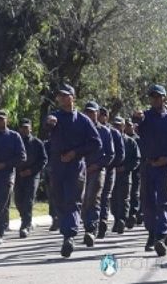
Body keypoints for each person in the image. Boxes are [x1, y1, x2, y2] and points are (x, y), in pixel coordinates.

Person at [46, 84, 102, 258]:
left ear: (73, 97)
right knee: (59, 201)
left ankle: (68, 236)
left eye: (65, 95)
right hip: (57, 166)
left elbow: (96, 143)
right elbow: (46, 128)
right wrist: (49, 123)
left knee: (73, 200)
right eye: (60, 96)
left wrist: (75, 153)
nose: (62, 98)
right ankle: (67, 232)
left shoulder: (83, 120)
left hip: (75, 167)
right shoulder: (54, 117)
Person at [132, 84, 167, 257]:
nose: (155, 99)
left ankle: (161, 236)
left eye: (158, 96)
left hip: (165, 166)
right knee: (147, 203)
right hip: (148, 165)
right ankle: (151, 233)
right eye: (152, 96)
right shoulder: (145, 117)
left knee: (163, 202)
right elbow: (135, 124)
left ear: (165, 98)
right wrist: (136, 117)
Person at [0, 110, 26, 245]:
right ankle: (0, 223)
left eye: (2, 119)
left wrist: (5, 164)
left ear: (7, 120)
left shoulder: (14, 137)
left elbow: (22, 157)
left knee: (3, 205)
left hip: (6, 176)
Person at [82, 101, 114, 247]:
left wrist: (96, 165)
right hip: (81, 170)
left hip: (97, 170)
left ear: (97, 114)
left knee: (93, 198)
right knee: (82, 201)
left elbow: (110, 154)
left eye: (92, 112)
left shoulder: (105, 132)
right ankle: (88, 224)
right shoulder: (80, 129)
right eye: (87, 112)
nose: (90, 115)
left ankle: (91, 229)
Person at [15, 117, 47, 239]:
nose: (24, 130)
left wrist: (31, 171)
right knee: (18, 200)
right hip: (18, 175)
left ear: (31, 128)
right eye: (22, 128)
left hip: (32, 176)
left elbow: (43, 160)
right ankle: (25, 218)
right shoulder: (16, 141)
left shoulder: (37, 143)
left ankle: (25, 226)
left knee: (28, 200)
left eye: (26, 128)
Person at [111, 116, 140, 234]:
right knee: (113, 199)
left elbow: (136, 160)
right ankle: (116, 219)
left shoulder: (130, 141)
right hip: (112, 174)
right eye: (115, 125)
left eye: (119, 125)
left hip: (126, 174)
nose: (117, 128)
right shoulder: (110, 140)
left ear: (123, 127)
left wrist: (125, 168)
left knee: (124, 198)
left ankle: (122, 220)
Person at [99, 108, 125, 239]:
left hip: (110, 170)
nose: (101, 117)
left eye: (104, 115)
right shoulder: (93, 130)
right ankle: (95, 223)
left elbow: (120, 154)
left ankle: (103, 221)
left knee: (106, 197)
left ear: (107, 117)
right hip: (95, 170)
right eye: (100, 115)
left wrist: (111, 165)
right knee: (93, 198)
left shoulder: (114, 133)